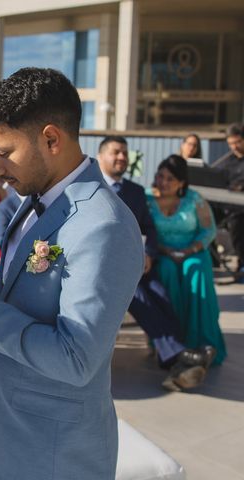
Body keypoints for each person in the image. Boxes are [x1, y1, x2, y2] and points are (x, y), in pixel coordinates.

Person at [0, 67, 144, 480]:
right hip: (9, 439)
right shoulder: (35, 195)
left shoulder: (102, 224)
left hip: (56, 458)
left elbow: (75, 358)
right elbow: (25, 298)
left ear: (52, 139)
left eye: (4, 152)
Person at [98, 136, 215, 390]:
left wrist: (148, 253)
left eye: (125, 154)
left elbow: (148, 228)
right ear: (100, 157)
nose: (122, 158)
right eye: (116, 152)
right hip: (105, 269)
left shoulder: (136, 192)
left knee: (161, 296)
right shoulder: (90, 188)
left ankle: (174, 359)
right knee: (139, 295)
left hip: (138, 264)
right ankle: (181, 357)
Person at [147, 155, 227, 365]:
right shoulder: (147, 198)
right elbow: (144, 231)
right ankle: (171, 344)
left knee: (196, 270)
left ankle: (203, 342)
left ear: (181, 183)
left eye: (170, 179)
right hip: (162, 254)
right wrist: (164, 250)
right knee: (166, 271)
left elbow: (208, 230)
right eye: (160, 176)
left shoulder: (194, 199)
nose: (163, 182)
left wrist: (190, 250)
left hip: (194, 251)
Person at [212, 123, 244, 275]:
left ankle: (242, 262)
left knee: (237, 224)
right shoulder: (226, 161)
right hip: (228, 206)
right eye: (231, 143)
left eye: (238, 142)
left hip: (240, 210)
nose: (234, 147)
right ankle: (213, 259)